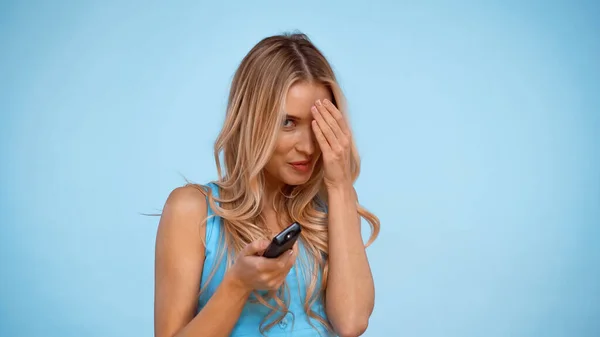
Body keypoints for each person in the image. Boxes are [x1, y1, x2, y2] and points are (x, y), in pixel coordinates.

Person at [154, 32, 380, 337]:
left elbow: (352, 322)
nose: (309, 147)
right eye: (288, 123)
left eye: (319, 126)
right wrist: (238, 284)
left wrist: (340, 187)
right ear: (252, 121)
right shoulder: (192, 210)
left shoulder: (331, 205)